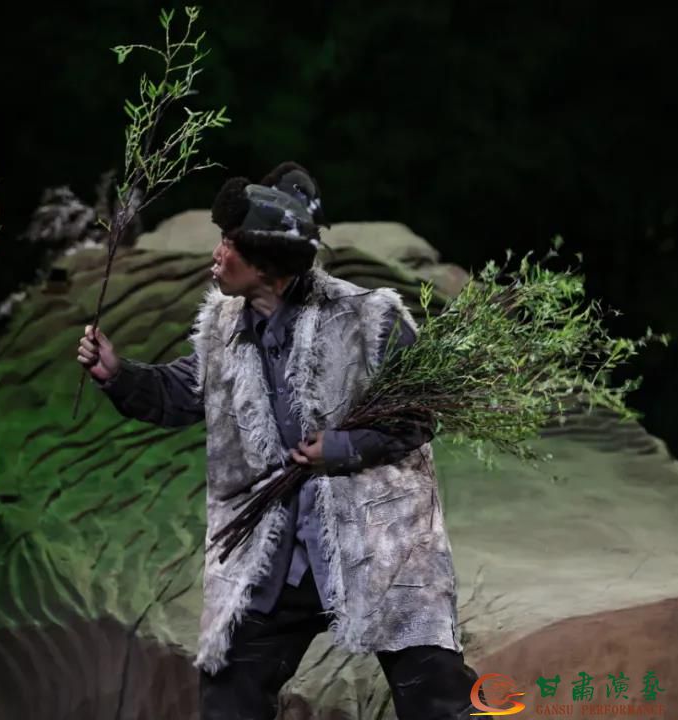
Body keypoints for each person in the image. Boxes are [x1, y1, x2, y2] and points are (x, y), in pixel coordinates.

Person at [76, 162, 479, 719]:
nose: (216, 254)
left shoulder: (367, 320)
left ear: (265, 266)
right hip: (277, 553)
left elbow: (418, 414)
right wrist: (119, 374)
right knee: (229, 694)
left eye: (229, 245)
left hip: (376, 547)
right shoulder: (223, 327)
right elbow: (182, 393)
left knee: (441, 701)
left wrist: (340, 449)